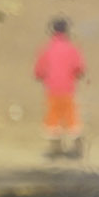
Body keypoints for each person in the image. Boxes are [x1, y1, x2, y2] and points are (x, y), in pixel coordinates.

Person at [34, 18, 86, 158]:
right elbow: (80, 68)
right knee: (71, 116)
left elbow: (39, 70)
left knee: (53, 116)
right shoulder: (72, 49)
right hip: (68, 89)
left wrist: (41, 76)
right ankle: (76, 146)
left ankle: (55, 148)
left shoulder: (47, 49)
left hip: (52, 89)